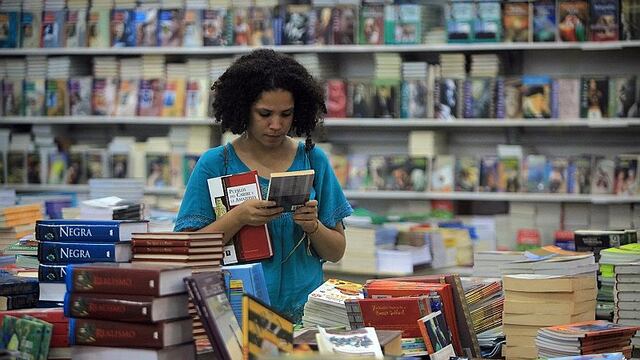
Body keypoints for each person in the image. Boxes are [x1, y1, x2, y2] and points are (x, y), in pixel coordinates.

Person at [174, 49, 353, 323]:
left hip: (306, 314)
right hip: (238, 313)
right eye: (265, 113)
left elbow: (336, 251)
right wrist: (238, 217)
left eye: (286, 114)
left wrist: (313, 226)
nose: (276, 125)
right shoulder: (215, 164)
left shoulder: (313, 159)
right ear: (244, 108)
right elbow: (188, 250)